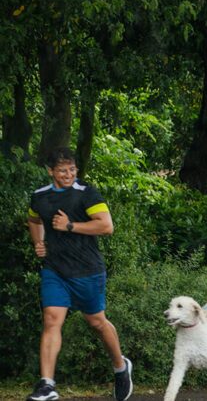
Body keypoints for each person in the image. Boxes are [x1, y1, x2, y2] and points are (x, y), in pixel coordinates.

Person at [26, 147, 133, 401]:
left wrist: (70, 225)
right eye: (62, 170)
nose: (68, 174)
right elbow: (34, 220)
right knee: (52, 319)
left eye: (72, 169)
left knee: (97, 322)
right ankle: (47, 384)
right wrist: (38, 243)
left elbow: (107, 226)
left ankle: (120, 366)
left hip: (87, 270)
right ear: (51, 171)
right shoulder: (40, 196)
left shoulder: (86, 193)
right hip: (55, 270)